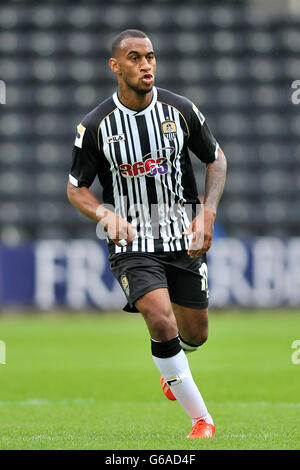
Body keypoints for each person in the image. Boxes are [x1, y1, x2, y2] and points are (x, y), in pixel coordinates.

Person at [67, 29, 227, 439]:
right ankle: (201, 420)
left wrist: (207, 212)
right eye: (135, 58)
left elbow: (216, 158)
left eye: (150, 57)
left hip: (182, 238)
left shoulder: (181, 110)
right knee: (159, 318)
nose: (146, 66)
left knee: (196, 333)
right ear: (115, 66)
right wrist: (106, 214)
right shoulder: (96, 125)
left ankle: (172, 366)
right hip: (132, 242)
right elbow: (75, 188)